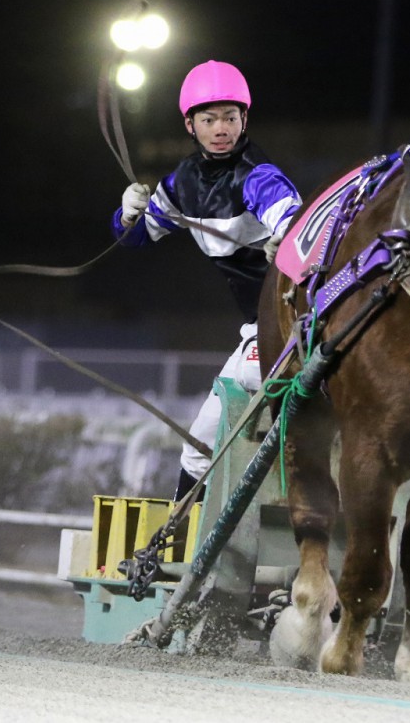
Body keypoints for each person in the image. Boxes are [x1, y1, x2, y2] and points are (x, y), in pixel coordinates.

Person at [111, 60, 301, 501]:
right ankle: (177, 549)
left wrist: (286, 240)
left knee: (248, 405)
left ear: (244, 120)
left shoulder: (260, 176)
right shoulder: (183, 182)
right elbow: (138, 237)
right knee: (198, 449)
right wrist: (125, 214)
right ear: (190, 125)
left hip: (290, 325)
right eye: (210, 119)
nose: (222, 128)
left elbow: (293, 220)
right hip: (257, 330)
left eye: (231, 118)